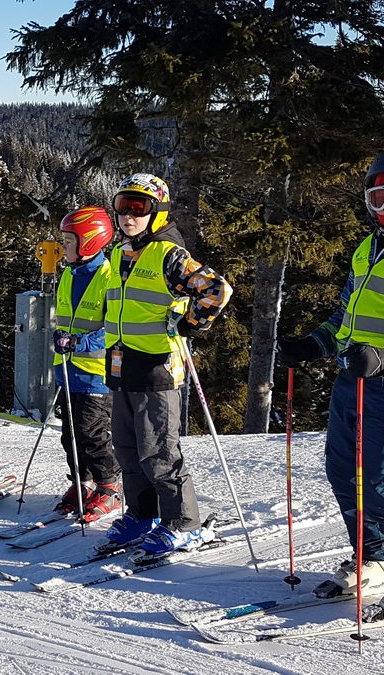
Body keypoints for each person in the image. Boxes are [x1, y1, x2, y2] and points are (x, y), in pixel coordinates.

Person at [278, 145, 384, 618]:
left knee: (382, 484)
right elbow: (347, 318)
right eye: (377, 197)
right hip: (355, 377)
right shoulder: (369, 248)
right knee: (342, 474)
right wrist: (314, 344)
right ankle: (377, 558)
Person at [102, 172, 232, 559]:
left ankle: (184, 523)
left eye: (138, 208)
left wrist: (192, 323)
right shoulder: (118, 252)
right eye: (122, 206)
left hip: (157, 368)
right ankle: (143, 515)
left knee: (158, 452)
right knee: (127, 449)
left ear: (157, 212)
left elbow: (216, 289)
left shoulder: (169, 255)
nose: (128, 215)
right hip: (122, 365)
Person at [50, 207, 122, 521]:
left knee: (90, 433)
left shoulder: (110, 276)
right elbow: (66, 317)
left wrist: (81, 342)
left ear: (90, 242)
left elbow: (116, 327)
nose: (63, 246)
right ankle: (83, 481)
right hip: (68, 369)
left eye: (69, 240)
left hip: (96, 372)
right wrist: (59, 336)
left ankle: (110, 486)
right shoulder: (68, 273)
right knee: (69, 434)